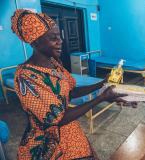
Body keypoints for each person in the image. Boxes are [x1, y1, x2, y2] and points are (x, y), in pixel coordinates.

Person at [11, 9, 127, 160]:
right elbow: (57, 120)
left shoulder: (54, 64)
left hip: (68, 127)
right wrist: (101, 98)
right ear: (36, 42)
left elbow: (70, 92)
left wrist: (101, 84)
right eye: (54, 38)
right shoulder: (25, 77)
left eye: (59, 36)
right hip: (47, 142)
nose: (61, 41)